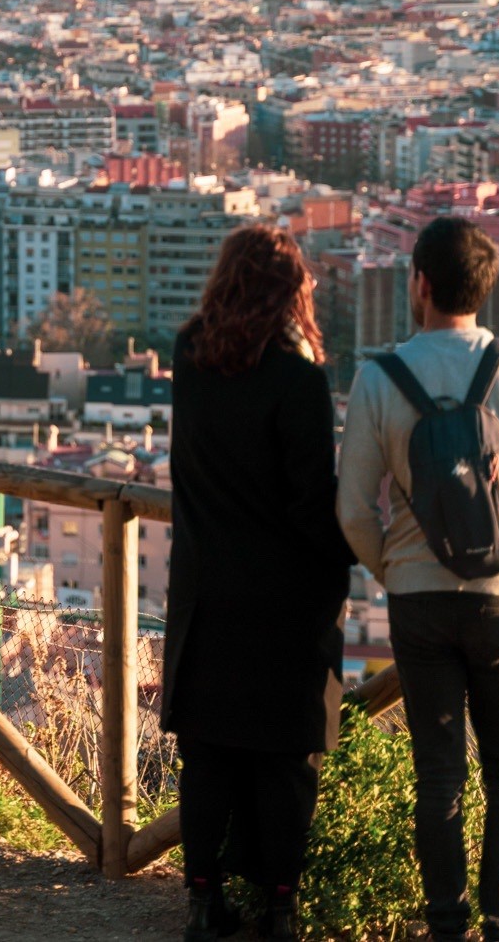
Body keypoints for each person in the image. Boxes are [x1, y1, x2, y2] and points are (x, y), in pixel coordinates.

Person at [335, 216, 499, 942]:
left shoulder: (378, 378)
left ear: (419, 283)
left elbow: (352, 507)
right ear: (488, 289)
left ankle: (446, 925)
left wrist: (394, 568)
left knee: (438, 775)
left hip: (418, 599)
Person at [163, 224, 355, 942]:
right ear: (289, 293)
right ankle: (279, 905)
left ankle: (202, 901)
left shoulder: (188, 353)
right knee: (283, 763)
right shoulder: (300, 382)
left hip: (205, 594)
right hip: (283, 602)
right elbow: (311, 503)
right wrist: (356, 548)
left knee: (206, 754)